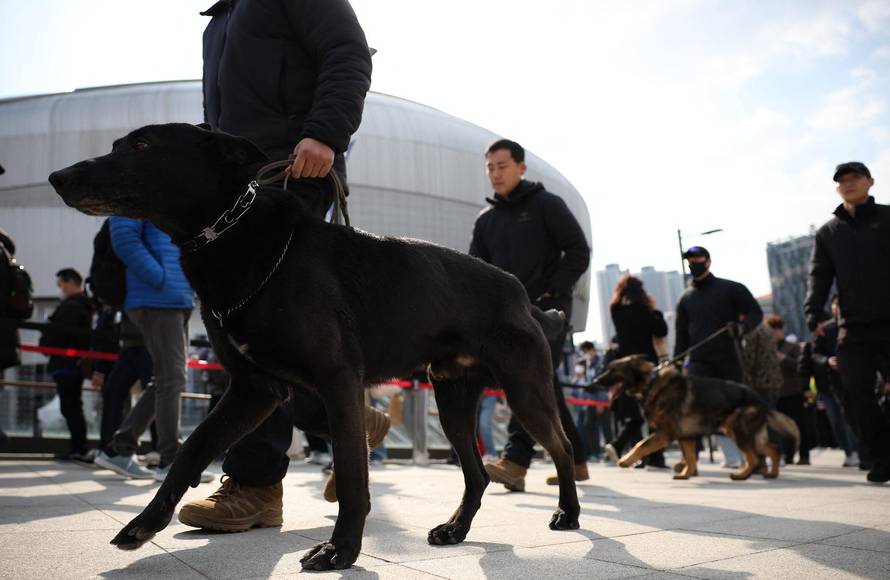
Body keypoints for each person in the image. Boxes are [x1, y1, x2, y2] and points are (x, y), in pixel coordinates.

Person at [178, 0, 382, 531]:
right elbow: (219, 115)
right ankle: (350, 423)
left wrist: (326, 134)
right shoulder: (219, 20)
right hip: (236, 187)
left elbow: (348, 54)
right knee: (257, 336)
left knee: (261, 334)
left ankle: (254, 484)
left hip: (292, 173)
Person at [471, 138, 591, 492]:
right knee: (544, 386)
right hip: (507, 315)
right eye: (490, 167)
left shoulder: (546, 205)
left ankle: (516, 460)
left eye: (502, 166)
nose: (495, 173)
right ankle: (577, 460)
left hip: (548, 313)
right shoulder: (485, 220)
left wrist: (555, 289)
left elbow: (578, 250)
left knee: (526, 380)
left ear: (521, 168)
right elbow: (476, 268)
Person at [94, 218, 208, 482]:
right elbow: (124, 239)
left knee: (166, 379)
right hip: (157, 298)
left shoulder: (161, 190)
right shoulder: (135, 187)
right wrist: (161, 278)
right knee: (172, 379)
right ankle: (171, 460)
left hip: (174, 299)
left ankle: (119, 448)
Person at [804, 161, 890, 483]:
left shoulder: (888, 217)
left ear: (870, 182)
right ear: (837, 187)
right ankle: (880, 457)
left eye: (855, 178)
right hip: (852, 325)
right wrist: (813, 311)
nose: (849, 183)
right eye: (842, 180)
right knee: (855, 393)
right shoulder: (829, 232)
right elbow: (819, 274)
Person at [675, 246, 763, 469]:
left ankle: (754, 454)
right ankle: (728, 457)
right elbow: (681, 336)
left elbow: (755, 312)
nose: (694, 262)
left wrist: (742, 327)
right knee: (702, 407)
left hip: (730, 357)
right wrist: (676, 364)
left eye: (698, 258)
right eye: (690, 260)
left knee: (735, 407)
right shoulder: (685, 299)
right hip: (699, 362)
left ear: (708, 261)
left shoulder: (731, 288)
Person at [603, 276, 669, 468]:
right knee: (652, 411)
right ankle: (650, 455)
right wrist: (655, 310)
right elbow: (661, 331)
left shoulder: (616, 311)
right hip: (647, 367)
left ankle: (645, 454)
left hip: (627, 369)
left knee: (635, 411)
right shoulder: (645, 311)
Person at [39, 268, 93, 461]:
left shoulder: (73, 306)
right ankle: (77, 447)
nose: (60, 288)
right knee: (70, 406)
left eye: (61, 284)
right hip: (68, 362)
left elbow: (59, 333)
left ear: (70, 282)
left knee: (71, 406)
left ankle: (78, 448)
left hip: (67, 363)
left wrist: (46, 341)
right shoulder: (80, 304)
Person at [799, 295, 859, 467]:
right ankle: (849, 452)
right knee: (836, 421)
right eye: (835, 306)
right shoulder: (824, 329)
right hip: (828, 384)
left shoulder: (856, 326)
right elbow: (813, 356)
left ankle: (861, 451)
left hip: (852, 380)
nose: (837, 309)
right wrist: (828, 361)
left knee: (853, 417)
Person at [765, 316, 811, 465]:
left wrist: (783, 358)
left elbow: (800, 366)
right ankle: (787, 455)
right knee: (780, 427)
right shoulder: (768, 348)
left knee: (799, 425)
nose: (772, 335)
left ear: (780, 330)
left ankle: (804, 455)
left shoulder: (793, 347)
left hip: (793, 392)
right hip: (776, 393)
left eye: (774, 331)